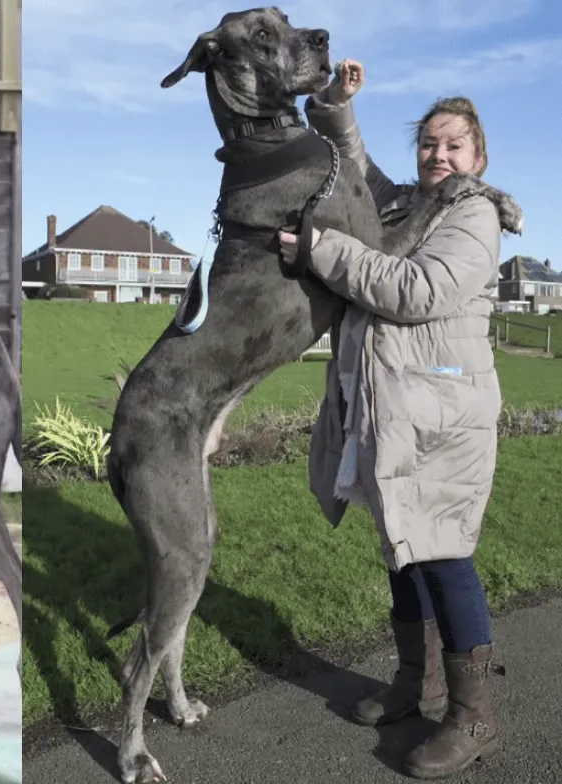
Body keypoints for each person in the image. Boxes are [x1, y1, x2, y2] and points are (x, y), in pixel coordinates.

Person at [277, 60, 504, 779]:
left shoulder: (473, 215)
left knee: (445, 557)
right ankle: (418, 682)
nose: (438, 155)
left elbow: (414, 289)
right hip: (393, 415)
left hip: (444, 415)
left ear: (477, 157)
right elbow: (359, 176)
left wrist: (318, 248)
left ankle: (473, 718)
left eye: (452, 146)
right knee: (401, 546)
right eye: (428, 144)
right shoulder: (403, 208)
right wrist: (336, 107)